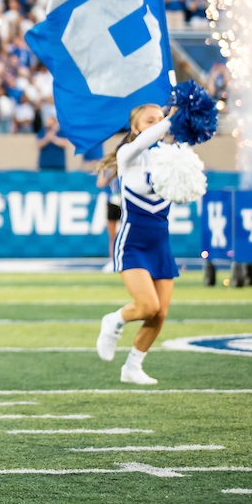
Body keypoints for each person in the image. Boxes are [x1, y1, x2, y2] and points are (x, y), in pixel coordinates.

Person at [93, 103, 177, 385]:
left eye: (161, 119)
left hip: (161, 243)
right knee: (147, 306)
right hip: (133, 243)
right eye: (150, 120)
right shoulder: (127, 153)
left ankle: (132, 367)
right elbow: (145, 141)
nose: (157, 124)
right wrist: (174, 118)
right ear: (135, 128)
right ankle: (114, 321)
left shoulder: (171, 156)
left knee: (160, 313)